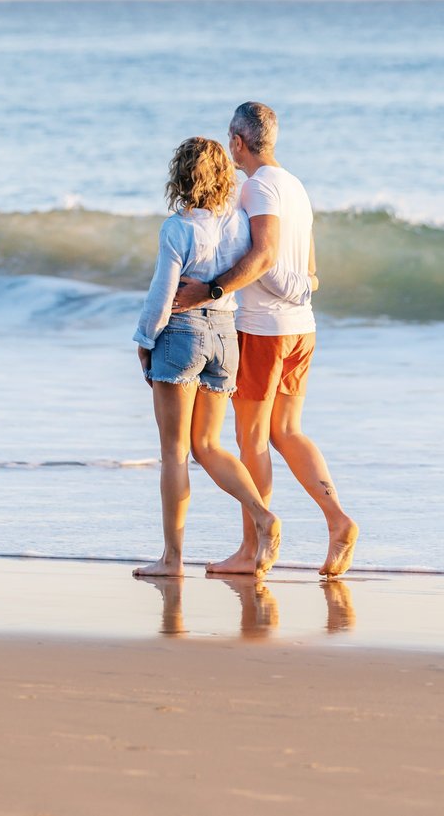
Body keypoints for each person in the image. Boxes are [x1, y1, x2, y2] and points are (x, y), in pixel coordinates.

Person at [172, 102, 358, 577]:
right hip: (303, 328)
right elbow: (310, 268)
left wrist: (209, 291)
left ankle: (252, 547)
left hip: (264, 329)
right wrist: (303, 289)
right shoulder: (296, 185)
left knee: (250, 437)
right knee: (287, 431)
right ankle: (338, 521)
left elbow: (264, 256)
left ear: (237, 141)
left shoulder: (256, 188)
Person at [131, 137, 282, 579]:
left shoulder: (177, 228)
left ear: (180, 175)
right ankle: (261, 514)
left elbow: (163, 295)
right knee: (210, 445)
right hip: (224, 336)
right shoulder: (239, 223)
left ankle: (172, 560)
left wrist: (144, 340)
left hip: (180, 335)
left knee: (175, 454)